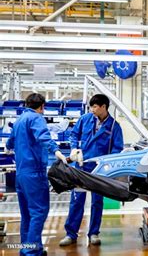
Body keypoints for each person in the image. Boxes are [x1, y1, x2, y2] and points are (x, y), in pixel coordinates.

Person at [6, 93, 68, 256]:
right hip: (34, 173)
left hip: (21, 174)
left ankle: (32, 249)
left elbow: (9, 142)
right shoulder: (36, 118)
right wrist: (57, 151)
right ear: (42, 107)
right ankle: (30, 252)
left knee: (27, 213)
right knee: (39, 211)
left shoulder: (19, 120)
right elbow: (44, 138)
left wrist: (8, 148)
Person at [59, 94, 123, 247]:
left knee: (97, 202)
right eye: (91, 106)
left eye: (95, 107)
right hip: (81, 166)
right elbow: (74, 134)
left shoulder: (114, 126)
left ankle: (94, 233)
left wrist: (107, 163)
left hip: (99, 169)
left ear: (103, 107)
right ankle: (71, 234)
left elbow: (117, 148)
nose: (92, 110)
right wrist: (74, 148)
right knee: (76, 200)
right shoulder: (85, 119)